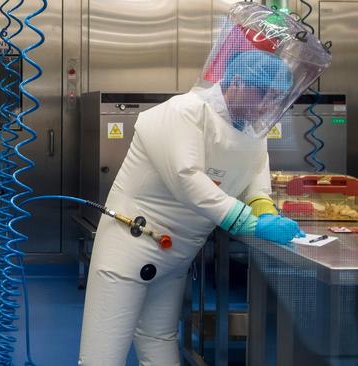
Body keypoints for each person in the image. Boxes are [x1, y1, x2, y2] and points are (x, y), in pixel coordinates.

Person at [78, 3, 332, 365]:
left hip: (178, 251)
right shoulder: (182, 113)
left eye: (274, 99)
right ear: (237, 82)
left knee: (158, 337)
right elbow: (188, 180)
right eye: (261, 95)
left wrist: (263, 209)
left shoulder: (252, 132)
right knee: (104, 352)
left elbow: (255, 186)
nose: (266, 107)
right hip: (130, 245)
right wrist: (248, 222)